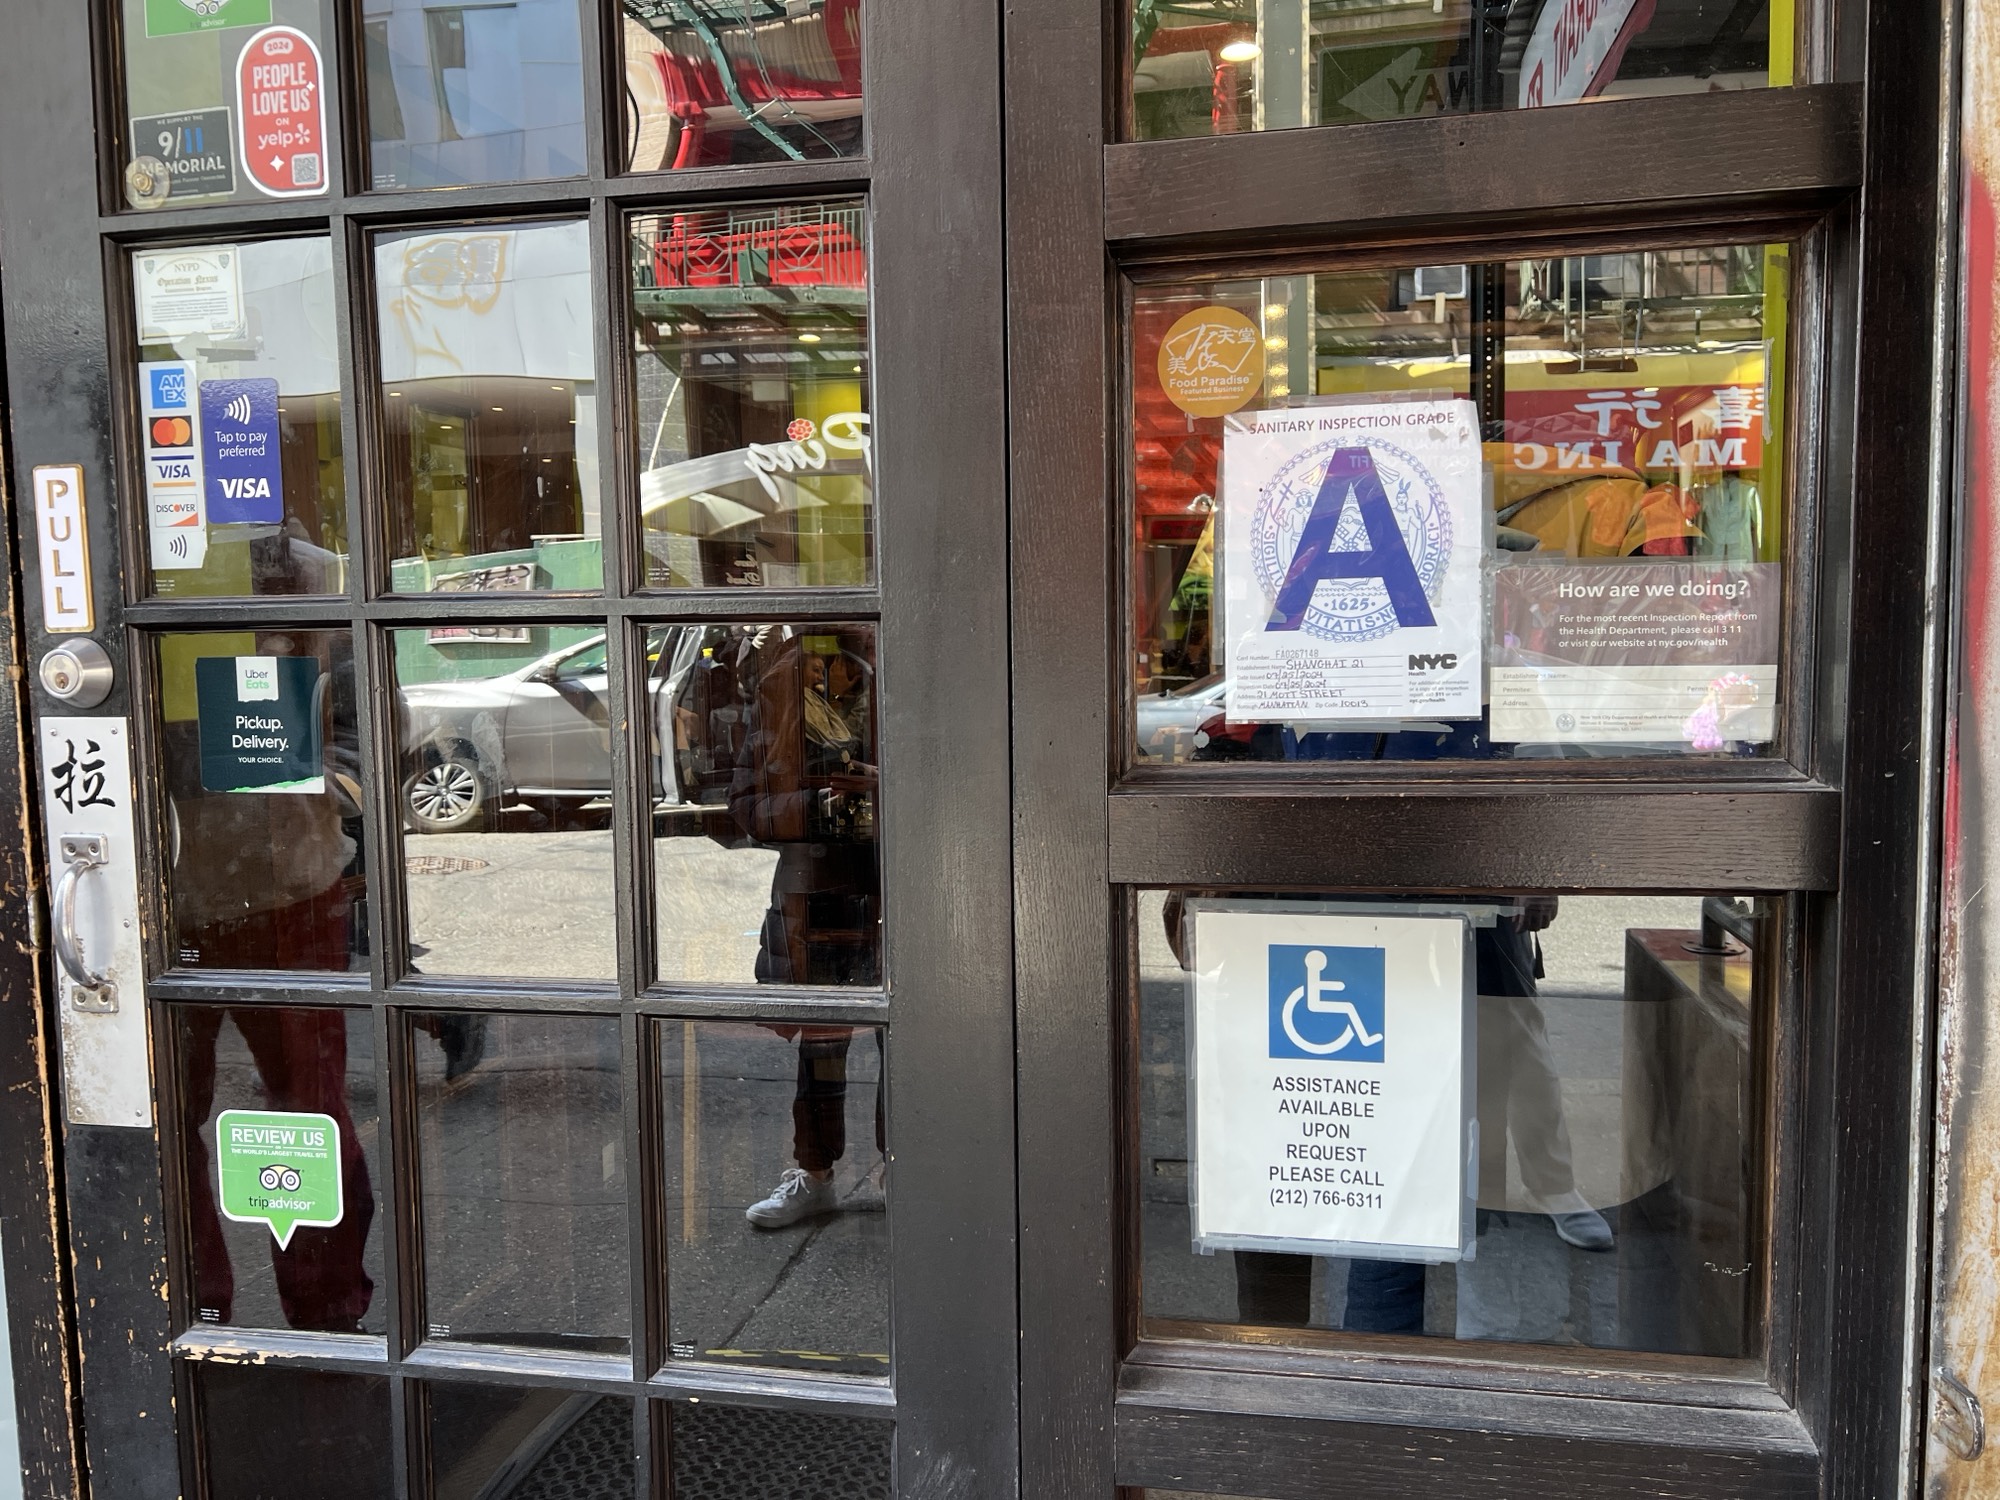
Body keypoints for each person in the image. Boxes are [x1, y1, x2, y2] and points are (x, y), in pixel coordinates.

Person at [724, 632, 887, 1229]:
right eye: (819, 661)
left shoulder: (900, 691)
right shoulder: (782, 702)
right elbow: (746, 807)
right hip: (815, 894)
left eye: (837, 661)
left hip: (899, 888)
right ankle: (814, 1174)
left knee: (909, 1040)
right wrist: (818, 806)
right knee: (821, 1044)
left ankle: (905, 1169)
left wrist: (886, 789)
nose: (828, 671)